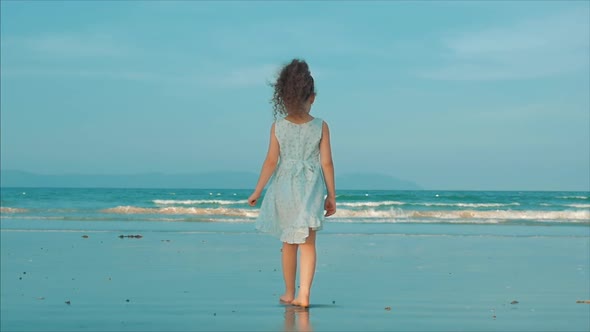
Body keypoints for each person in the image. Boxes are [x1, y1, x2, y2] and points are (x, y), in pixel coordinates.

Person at [248, 59, 336, 308]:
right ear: (313, 97)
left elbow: (270, 162)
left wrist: (258, 191)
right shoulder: (321, 126)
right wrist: (332, 195)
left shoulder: (278, 127)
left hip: (285, 186)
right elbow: (327, 163)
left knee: (289, 241)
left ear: (283, 97)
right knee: (308, 241)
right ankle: (304, 294)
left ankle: (289, 292)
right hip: (311, 186)